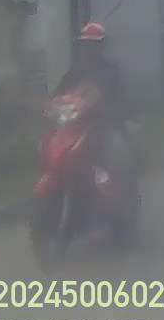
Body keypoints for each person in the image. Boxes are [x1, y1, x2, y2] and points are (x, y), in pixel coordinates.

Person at [53, 21, 134, 196]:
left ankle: (112, 187)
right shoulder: (76, 71)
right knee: (53, 140)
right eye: (86, 44)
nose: (89, 48)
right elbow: (60, 91)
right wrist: (53, 103)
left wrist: (106, 108)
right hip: (77, 123)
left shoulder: (111, 71)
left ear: (102, 46)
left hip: (104, 123)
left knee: (112, 147)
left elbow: (120, 99)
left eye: (94, 44)